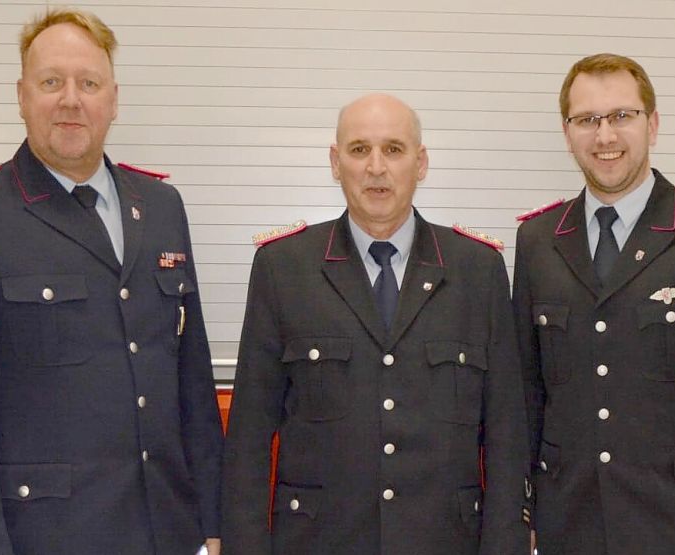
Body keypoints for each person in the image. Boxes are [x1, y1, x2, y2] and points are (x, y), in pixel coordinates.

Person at [0, 8, 222, 555]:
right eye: (51, 82)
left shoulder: (161, 207)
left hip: (165, 531)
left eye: (89, 84)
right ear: (22, 97)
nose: (71, 100)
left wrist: (215, 520)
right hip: (43, 538)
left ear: (113, 100)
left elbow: (190, 380)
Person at [220, 93, 531, 555]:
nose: (376, 167)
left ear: (420, 163)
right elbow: (249, 434)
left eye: (394, 149)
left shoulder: (477, 270)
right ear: (336, 162)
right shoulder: (283, 268)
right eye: (360, 149)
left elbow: (506, 432)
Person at [512, 53, 675, 555]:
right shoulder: (538, 241)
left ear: (652, 125)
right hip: (570, 523)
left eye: (622, 115)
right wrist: (521, 513)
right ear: (567, 133)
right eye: (586, 120)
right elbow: (526, 394)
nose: (605, 136)